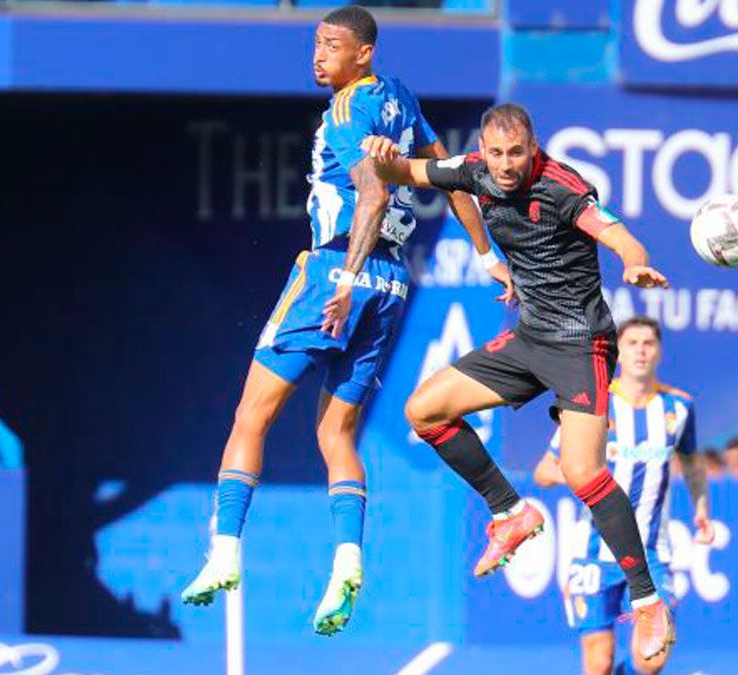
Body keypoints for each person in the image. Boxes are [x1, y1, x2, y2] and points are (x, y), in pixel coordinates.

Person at [180, 6, 511, 637]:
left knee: (252, 416)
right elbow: (454, 179)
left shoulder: (345, 114)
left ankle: (224, 552)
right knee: (336, 435)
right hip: (390, 284)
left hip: (339, 272)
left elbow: (374, 193)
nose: (318, 55)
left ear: (363, 53)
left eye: (331, 45)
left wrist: (346, 280)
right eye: (316, 44)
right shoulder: (399, 98)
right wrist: (486, 255)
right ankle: (347, 563)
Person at [363, 102, 675, 660]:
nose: (506, 166)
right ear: (484, 151)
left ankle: (648, 600)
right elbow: (406, 173)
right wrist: (384, 158)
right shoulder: (474, 169)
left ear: (534, 148)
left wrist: (634, 261)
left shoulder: (562, 186)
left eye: (517, 153)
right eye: (498, 154)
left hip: (581, 342)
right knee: (423, 410)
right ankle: (511, 512)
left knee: (582, 471)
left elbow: (615, 234)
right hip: (530, 339)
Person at [532, 317, 712, 675]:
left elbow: (692, 464)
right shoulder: (593, 406)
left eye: (648, 343)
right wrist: (588, 479)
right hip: (593, 553)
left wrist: (701, 511)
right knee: (597, 663)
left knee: (653, 656)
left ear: (659, 351)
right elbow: (544, 471)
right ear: (619, 352)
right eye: (632, 343)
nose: (641, 351)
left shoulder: (678, 408)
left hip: (652, 553)